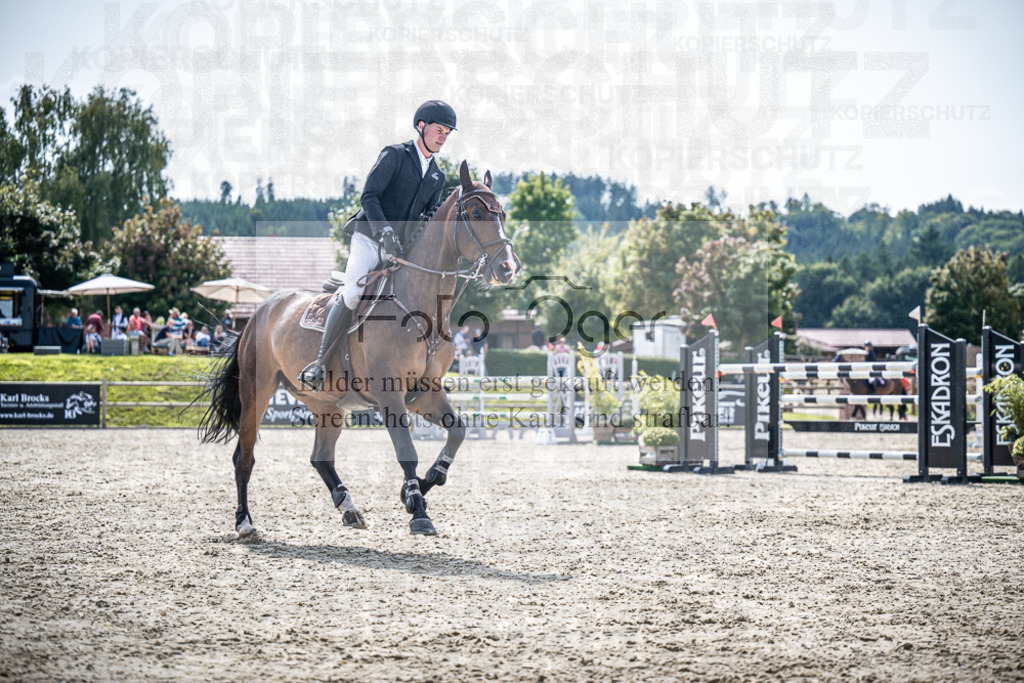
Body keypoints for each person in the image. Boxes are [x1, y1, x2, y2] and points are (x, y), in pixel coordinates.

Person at [298, 99, 457, 391]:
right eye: (439, 130)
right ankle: (320, 363)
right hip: (370, 238)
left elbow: (428, 217)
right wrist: (384, 230)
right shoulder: (395, 155)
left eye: (447, 133)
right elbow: (369, 196)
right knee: (354, 292)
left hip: (402, 250)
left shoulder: (438, 176)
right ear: (421, 127)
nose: (443, 137)